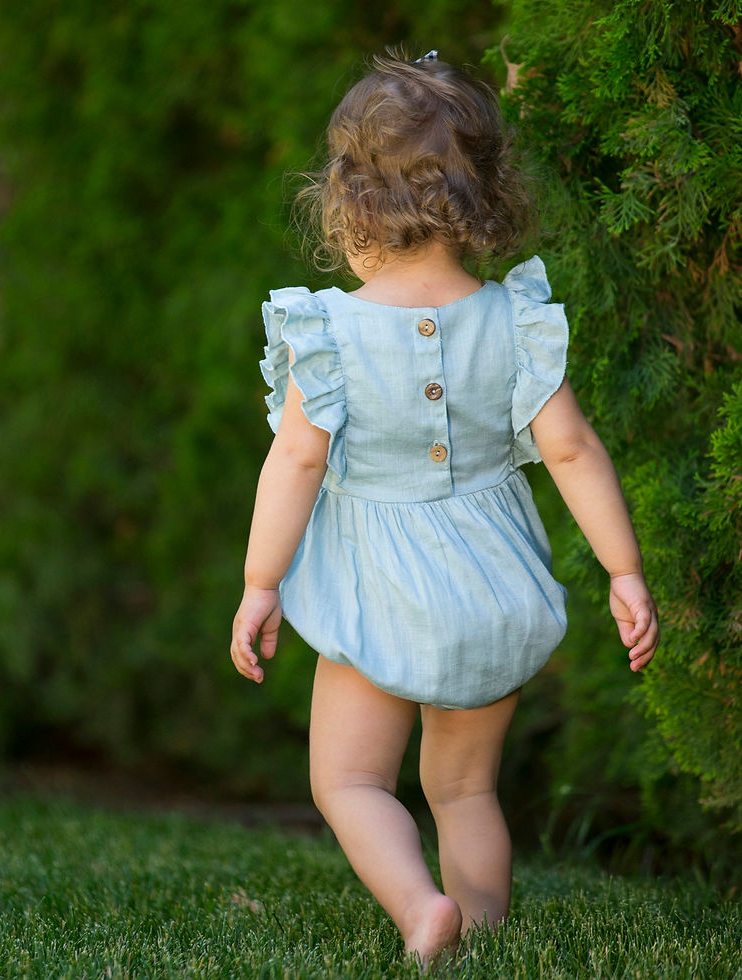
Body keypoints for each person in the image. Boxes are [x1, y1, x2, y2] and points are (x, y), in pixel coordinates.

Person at [229, 50, 659, 965]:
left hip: (376, 597)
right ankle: (485, 939)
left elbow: (295, 459)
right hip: (493, 588)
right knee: (466, 790)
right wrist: (624, 571)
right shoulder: (515, 319)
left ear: (349, 203)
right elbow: (573, 450)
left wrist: (261, 583)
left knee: (350, 781)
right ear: (485, 197)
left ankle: (423, 909)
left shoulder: (328, 333)